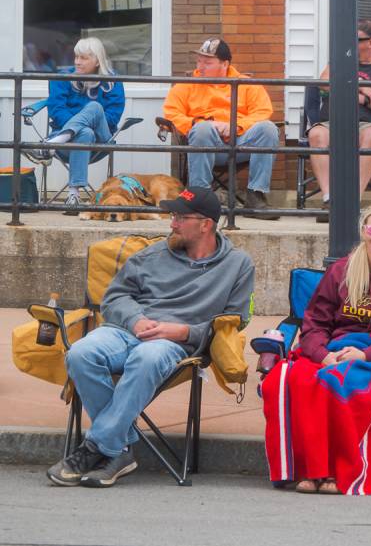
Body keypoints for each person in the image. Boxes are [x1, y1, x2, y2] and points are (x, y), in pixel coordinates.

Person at [46, 186, 255, 488]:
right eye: (172, 216)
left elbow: (237, 320)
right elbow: (114, 298)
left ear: (205, 224)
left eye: (180, 218)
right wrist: (135, 320)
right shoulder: (151, 254)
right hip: (128, 330)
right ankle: (118, 448)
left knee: (147, 357)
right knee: (80, 354)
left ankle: (95, 447)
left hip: (176, 342)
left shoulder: (237, 264)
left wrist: (185, 331)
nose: (172, 224)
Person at [262, 204, 371, 496]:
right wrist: (322, 355)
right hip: (332, 349)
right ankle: (308, 470)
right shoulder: (342, 269)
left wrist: (365, 355)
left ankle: (336, 472)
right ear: (363, 232)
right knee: (294, 377)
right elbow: (314, 322)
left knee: (341, 381)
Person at [162, 36, 280, 218]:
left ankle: (255, 196)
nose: (200, 67)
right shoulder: (185, 85)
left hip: (241, 143)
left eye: (207, 62)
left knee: (268, 128)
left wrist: (235, 126)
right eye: (199, 61)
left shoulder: (247, 85)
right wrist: (202, 124)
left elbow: (263, 111)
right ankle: (199, 197)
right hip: (204, 145)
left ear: (225, 64)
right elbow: (171, 113)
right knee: (203, 129)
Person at [308, 19, 371, 222]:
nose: (350, 44)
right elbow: (324, 85)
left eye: (357, 40)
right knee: (316, 134)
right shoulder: (339, 62)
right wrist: (362, 86)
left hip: (366, 124)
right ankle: (329, 200)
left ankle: (351, 202)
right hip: (332, 122)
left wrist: (365, 99)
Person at [32, 37, 125, 216]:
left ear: (97, 60)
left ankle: (53, 142)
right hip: (71, 145)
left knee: (95, 108)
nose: (77, 62)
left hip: (102, 141)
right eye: (76, 57)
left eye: (83, 58)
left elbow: (113, 117)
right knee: (85, 132)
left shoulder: (113, 81)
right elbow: (56, 110)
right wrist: (80, 126)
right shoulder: (63, 78)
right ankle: (73, 196)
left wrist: (87, 118)